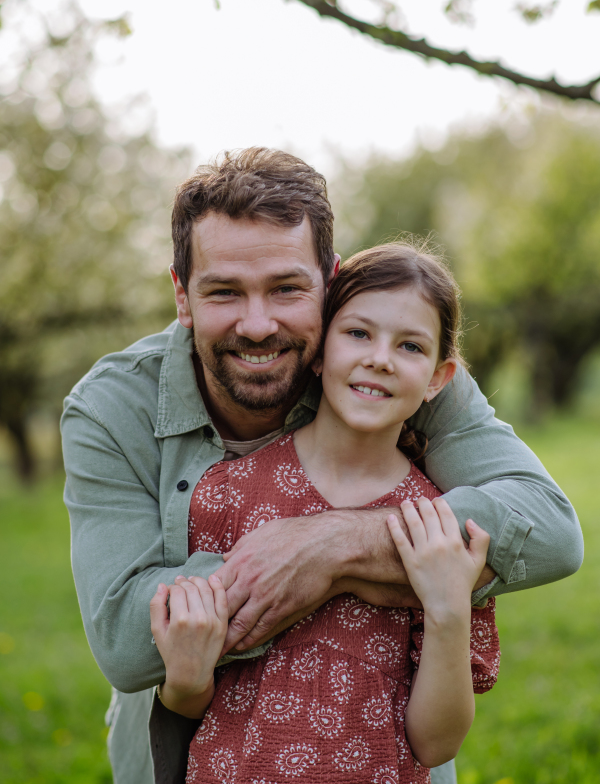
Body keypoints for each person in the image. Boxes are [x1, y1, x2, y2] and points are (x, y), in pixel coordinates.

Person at [62, 148, 583, 784]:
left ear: (329, 280)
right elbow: (122, 633)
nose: (258, 325)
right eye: (224, 292)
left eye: (286, 288)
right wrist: (383, 566)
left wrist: (332, 547)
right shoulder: (109, 407)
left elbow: (551, 528)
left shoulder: (388, 364)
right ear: (182, 295)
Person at [150, 241, 501, 784]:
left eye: (410, 346)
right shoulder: (226, 494)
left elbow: (435, 743)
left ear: (438, 376)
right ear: (317, 351)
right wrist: (186, 680)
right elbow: (193, 703)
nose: (379, 358)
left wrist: (448, 608)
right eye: (358, 333)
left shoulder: (435, 528)